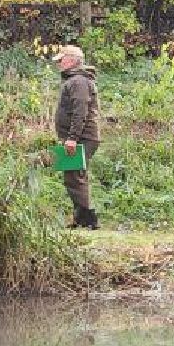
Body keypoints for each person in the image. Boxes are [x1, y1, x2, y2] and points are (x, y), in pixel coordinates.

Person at [52, 44, 101, 229]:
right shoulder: (75, 80)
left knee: (75, 176)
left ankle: (88, 219)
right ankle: (81, 217)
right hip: (78, 136)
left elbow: (80, 112)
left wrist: (72, 138)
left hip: (82, 137)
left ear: (72, 60)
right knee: (72, 176)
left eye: (61, 60)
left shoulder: (78, 81)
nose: (59, 64)